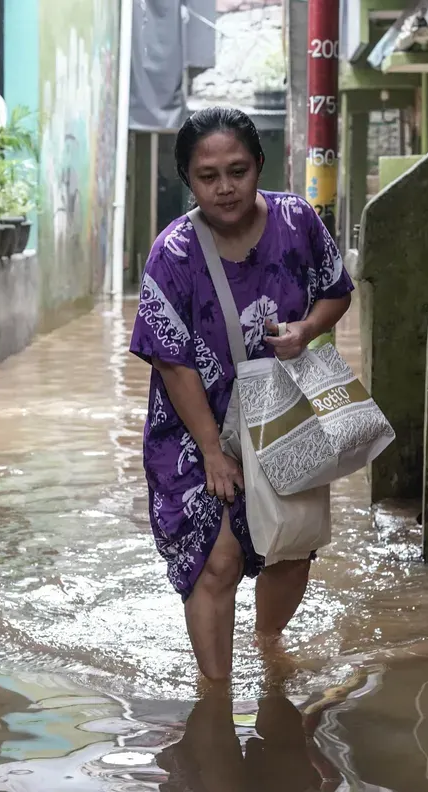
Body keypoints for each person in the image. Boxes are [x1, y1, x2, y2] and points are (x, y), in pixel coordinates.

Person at [129, 107, 354, 683]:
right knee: (217, 558)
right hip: (193, 424)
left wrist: (307, 329)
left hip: (285, 411)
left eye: (238, 170)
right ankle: (216, 696)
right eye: (208, 176)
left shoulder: (298, 221)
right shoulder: (171, 254)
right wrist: (210, 449)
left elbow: (336, 290)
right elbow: (169, 359)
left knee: (290, 543)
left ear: (259, 166)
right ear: (188, 179)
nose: (225, 187)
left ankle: (267, 646)